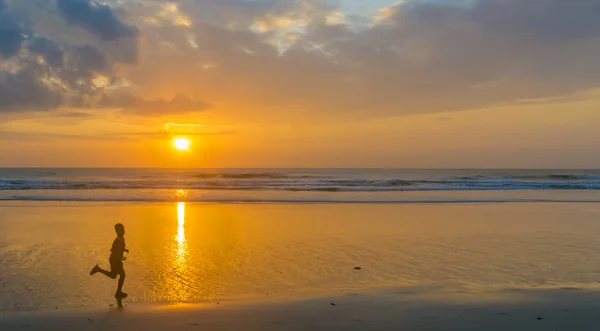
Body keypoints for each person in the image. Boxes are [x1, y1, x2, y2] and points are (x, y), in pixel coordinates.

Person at [90, 223, 129, 298]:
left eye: (123, 229)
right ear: (117, 232)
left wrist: (125, 250)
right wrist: (121, 257)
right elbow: (114, 251)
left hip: (116, 259)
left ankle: (98, 269)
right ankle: (118, 292)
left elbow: (120, 248)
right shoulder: (117, 240)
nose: (123, 231)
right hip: (115, 260)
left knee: (113, 275)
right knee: (122, 275)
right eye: (121, 230)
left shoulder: (121, 238)